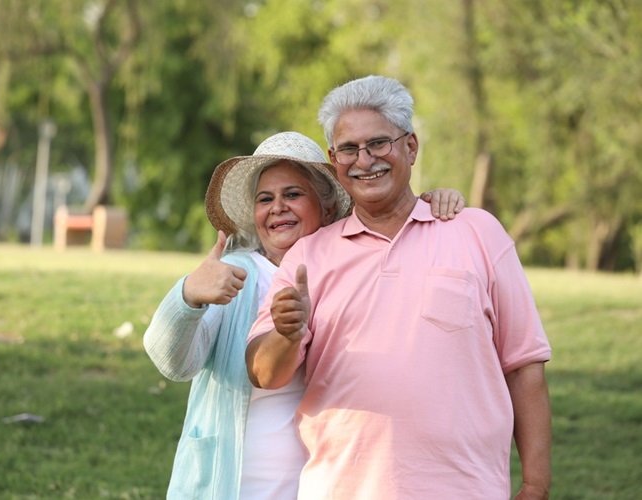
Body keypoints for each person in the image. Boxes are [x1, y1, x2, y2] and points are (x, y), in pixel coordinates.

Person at [246, 76, 552, 500]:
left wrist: (536, 485)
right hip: (340, 490)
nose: (364, 159)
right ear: (335, 159)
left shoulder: (477, 232)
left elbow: (524, 366)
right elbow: (263, 372)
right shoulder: (307, 257)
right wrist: (285, 332)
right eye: (349, 149)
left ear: (410, 147)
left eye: (378, 144)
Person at [143, 130, 466, 499]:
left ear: (327, 207)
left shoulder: (349, 269)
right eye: (265, 199)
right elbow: (172, 363)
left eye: (293, 194)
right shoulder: (236, 276)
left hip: (322, 484)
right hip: (230, 485)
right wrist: (188, 296)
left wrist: (433, 203)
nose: (277, 207)